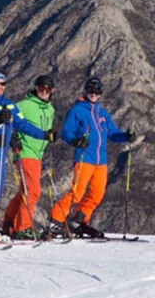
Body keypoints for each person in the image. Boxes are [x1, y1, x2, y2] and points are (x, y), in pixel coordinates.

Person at [48, 76, 136, 238]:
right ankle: (55, 220)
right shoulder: (78, 110)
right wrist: (75, 141)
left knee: (97, 193)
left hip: (100, 161)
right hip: (84, 158)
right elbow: (66, 132)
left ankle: (78, 221)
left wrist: (126, 136)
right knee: (77, 192)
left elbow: (113, 134)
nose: (93, 94)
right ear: (86, 91)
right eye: (91, 90)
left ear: (101, 93)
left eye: (97, 91)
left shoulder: (102, 113)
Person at [0, 71, 52, 239]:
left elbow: (23, 125)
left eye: (2, 84)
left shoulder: (10, 105)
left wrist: (44, 135)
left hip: (1, 153)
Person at [0, 74, 57, 239]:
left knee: (24, 191)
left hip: (38, 154)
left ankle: (9, 222)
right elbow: (9, 118)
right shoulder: (24, 105)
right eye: (41, 88)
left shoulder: (51, 109)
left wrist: (49, 138)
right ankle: (22, 227)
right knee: (33, 192)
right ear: (36, 88)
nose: (44, 92)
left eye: (47, 89)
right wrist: (13, 137)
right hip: (24, 152)